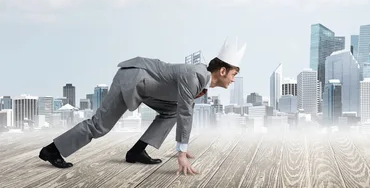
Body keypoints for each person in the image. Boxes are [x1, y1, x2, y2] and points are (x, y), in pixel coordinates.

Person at [38, 37, 246, 176]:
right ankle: (52, 150)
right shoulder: (195, 75)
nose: (234, 79)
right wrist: (181, 153)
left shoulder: (201, 80)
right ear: (221, 71)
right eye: (233, 74)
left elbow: (181, 109)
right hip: (133, 79)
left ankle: (137, 151)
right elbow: (186, 112)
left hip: (150, 88)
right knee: (100, 126)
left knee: (170, 111)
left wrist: (183, 146)